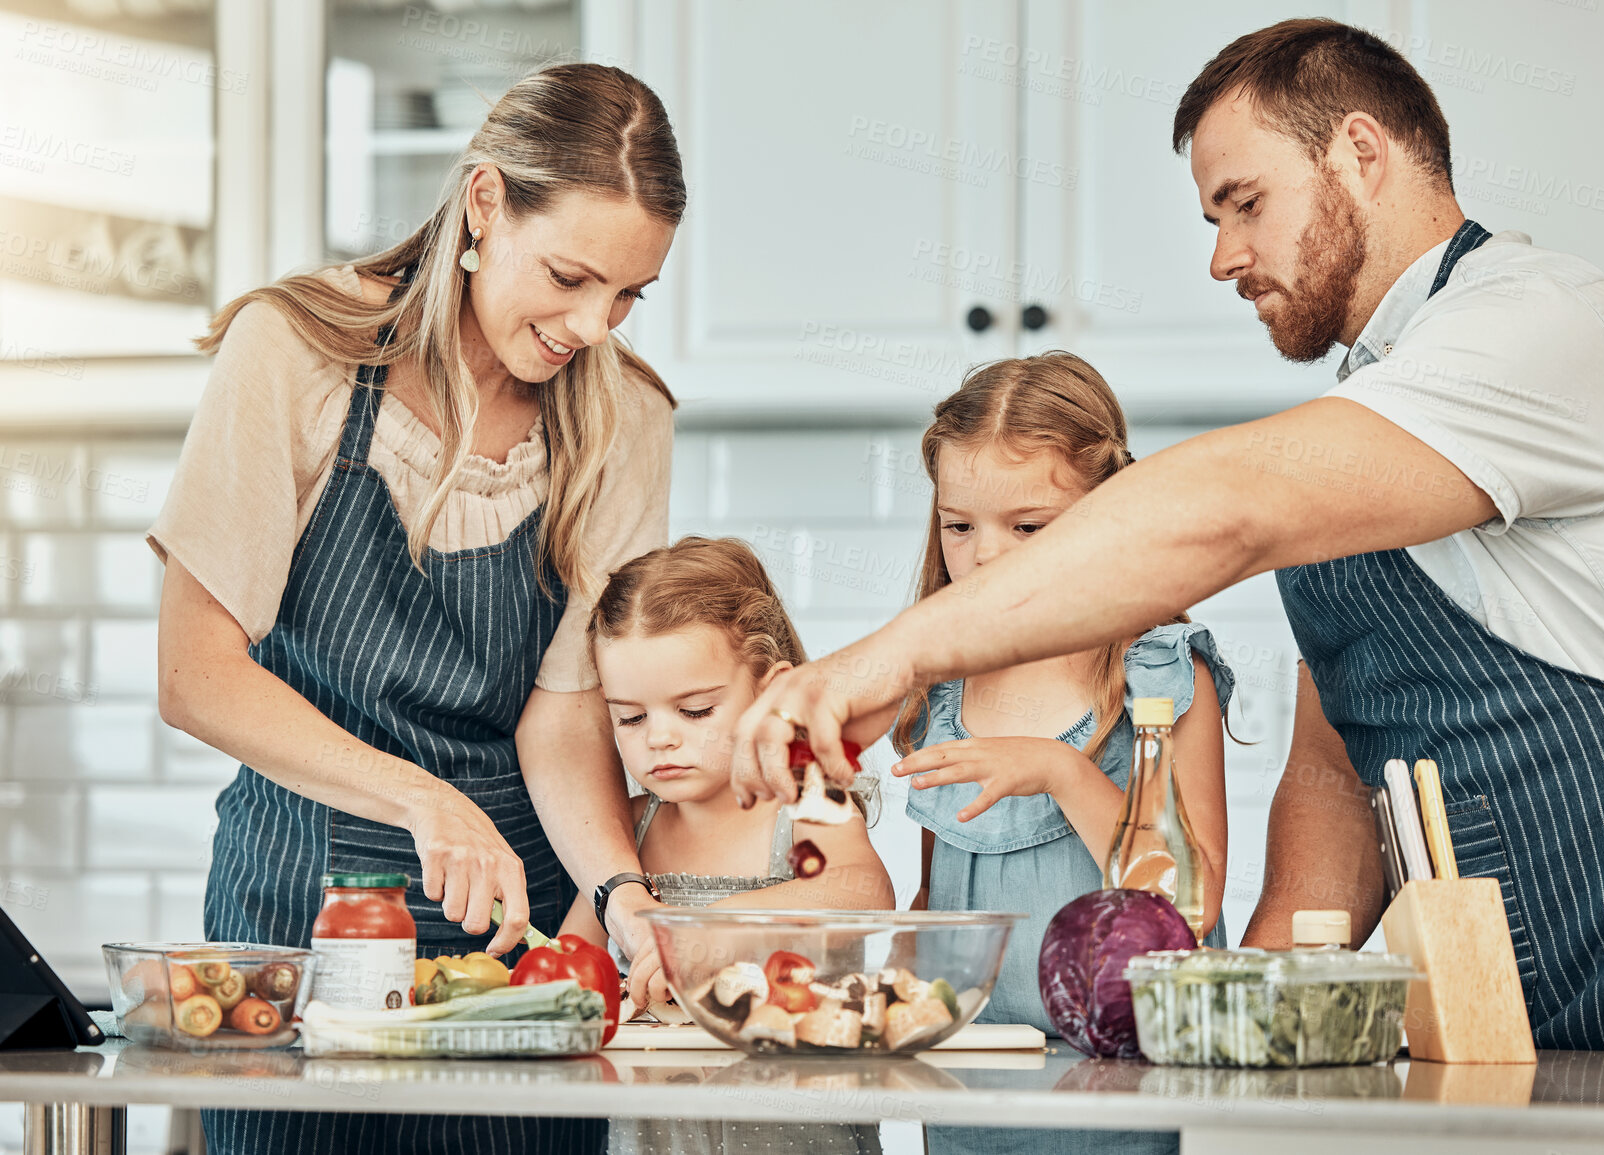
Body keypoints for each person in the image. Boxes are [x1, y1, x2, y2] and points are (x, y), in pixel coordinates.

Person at [731, 18, 1604, 1056]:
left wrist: (889, 655)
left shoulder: (1538, 325)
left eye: (1245, 205)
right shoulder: (1384, 400)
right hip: (1481, 1022)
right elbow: (1338, 761)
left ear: (1361, 152)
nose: (1221, 259)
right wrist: (1254, 1009)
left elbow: (1227, 506)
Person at [151, 63, 684, 1152]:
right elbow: (194, 672)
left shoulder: (624, 417)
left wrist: (623, 894)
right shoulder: (297, 350)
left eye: (628, 295)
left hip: (521, 944)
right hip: (304, 910)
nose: (593, 324)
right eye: (572, 276)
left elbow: (567, 714)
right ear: (484, 203)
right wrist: (420, 800)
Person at [889, 353, 1234, 1038]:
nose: (986, 556)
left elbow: (1186, 903)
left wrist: (1058, 770)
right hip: (969, 1075)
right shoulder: (939, 686)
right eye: (959, 525)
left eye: (1028, 527)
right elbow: (935, 898)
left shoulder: (1161, 676)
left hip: (1130, 1079)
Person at [581, 536, 890, 1155]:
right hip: (655, 1134)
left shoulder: (803, 801)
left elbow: (866, 893)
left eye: (694, 710)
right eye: (630, 718)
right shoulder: (632, 830)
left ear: (771, 694)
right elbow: (576, 960)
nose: (659, 740)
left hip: (800, 1133)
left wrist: (709, 930)